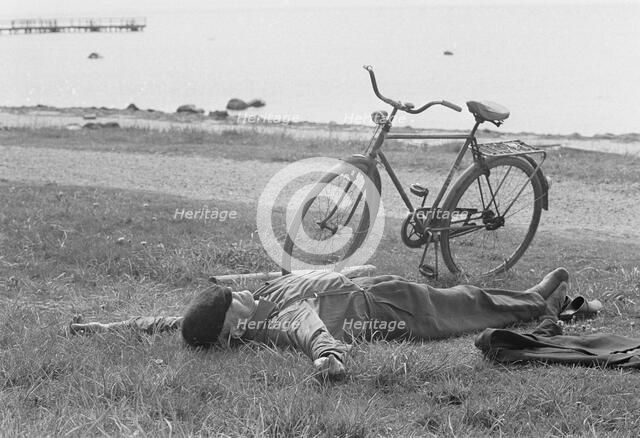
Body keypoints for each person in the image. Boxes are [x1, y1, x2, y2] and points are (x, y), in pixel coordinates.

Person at [68, 268, 569, 378]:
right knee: (465, 304)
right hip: (391, 311)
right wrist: (329, 358)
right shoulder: (274, 320)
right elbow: (311, 331)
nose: (240, 294)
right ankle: (536, 301)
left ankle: (546, 303)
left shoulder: (257, 300)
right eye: (232, 302)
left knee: (464, 297)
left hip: (372, 287)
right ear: (230, 330)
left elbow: (164, 321)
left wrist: (103, 328)